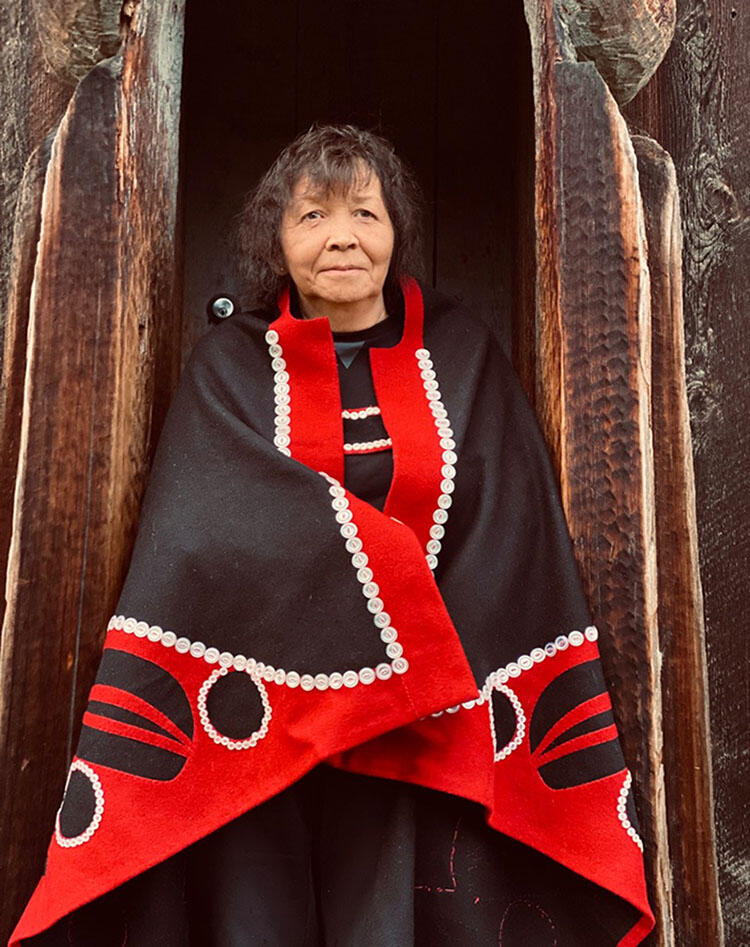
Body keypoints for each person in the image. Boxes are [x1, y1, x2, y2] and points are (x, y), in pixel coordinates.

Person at [13, 125, 653, 945]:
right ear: (276, 239)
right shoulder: (228, 367)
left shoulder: (463, 358)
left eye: (365, 213)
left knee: (387, 921)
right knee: (254, 917)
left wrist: (418, 651)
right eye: (312, 214)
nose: (341, 235)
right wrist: (382, 580)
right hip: (258, 720)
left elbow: (511, 525)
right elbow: (206, 525)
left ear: (397, 236)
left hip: (415, 720)